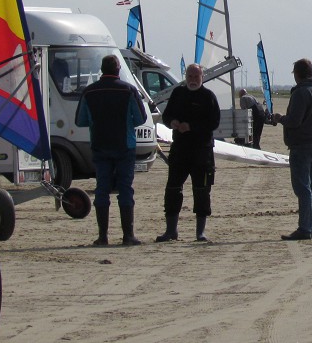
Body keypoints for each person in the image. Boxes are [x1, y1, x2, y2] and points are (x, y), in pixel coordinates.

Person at [75, 55, 148, 246]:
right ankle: (128, 235)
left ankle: (103, 236)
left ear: (101, 69)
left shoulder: (89, 91)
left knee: (102, 189)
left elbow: (80, 120)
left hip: (100, 145)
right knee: (125, 189)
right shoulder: (128, 90)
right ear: (118, 69)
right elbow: (140, 118)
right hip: (125, 146)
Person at [156, 63, 221, 242]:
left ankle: (200, 232)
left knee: (202, 191)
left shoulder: (208, 96)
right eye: (190, 76)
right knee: (173, 189)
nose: (193, 80)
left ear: (202, 77)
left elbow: (214, 122)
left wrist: (191, 126)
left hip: (202, 151)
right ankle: (171, 231)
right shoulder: (178, 93)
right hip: (180, 149)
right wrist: (172, 122)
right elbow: (166, 115)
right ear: (185, 77)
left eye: (196, 77)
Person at [272, 58, 312, 241]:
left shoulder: (301, 92)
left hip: (302, 145)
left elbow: (294, 121)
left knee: (303, 187)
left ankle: (305, 228)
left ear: (297, 74)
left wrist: (280, 118)